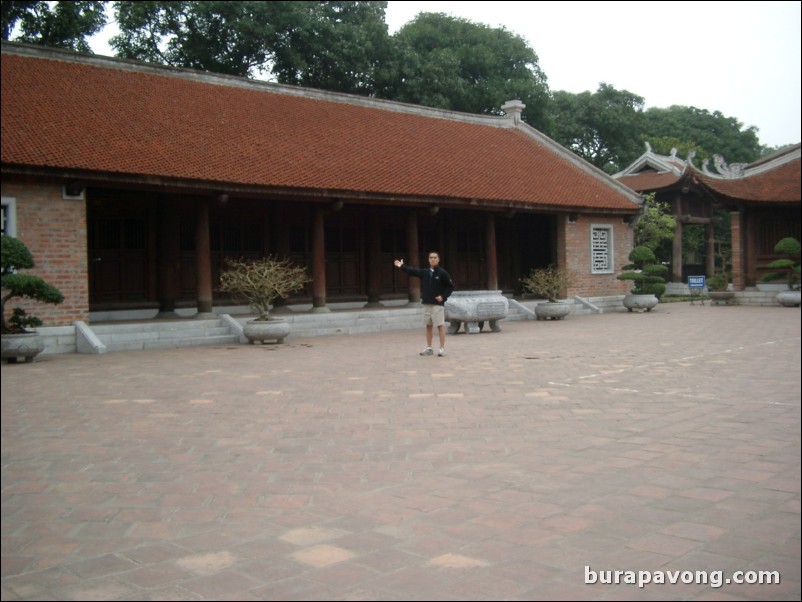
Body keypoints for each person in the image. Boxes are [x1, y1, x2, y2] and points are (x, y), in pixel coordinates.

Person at [394, 251, 454, 357]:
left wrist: (443, 296)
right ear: (428, 259)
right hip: (427, 303)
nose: (433, 259)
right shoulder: (425, 272)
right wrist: (401, 266)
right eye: (431, 257)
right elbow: (413, 271)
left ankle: (442, 348)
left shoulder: (442, 273)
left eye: (435, 257)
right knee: (428, 326)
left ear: (438, 259)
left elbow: (450, 287)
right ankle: (429, 348)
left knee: (440, 326)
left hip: (437, 304)